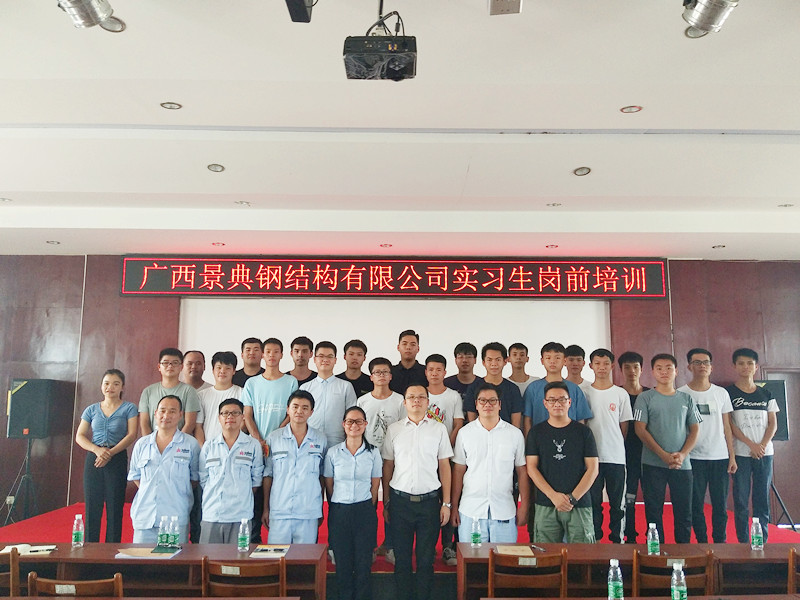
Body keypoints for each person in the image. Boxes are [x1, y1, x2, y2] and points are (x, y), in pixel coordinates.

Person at [382, 385, 453, 600]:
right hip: (400, 502)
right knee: (402, 560)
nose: (416, 401)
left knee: (425, 560)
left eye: (421, 397)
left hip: (429, 503)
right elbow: (388, 466)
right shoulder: (394, 429)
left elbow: (444, 466)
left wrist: (446, 503)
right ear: (404, 402)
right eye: (411, 397)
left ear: (428, 402)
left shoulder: (438, 429)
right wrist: (386, 502)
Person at [633, 353, 701, 544]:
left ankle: (684, 553)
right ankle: (656, 554)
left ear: (676, 371)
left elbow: (695, 430)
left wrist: (683, 455)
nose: (664, 372)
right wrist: (663, 455)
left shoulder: (686, 398)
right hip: (653, 464)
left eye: (669, 368)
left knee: (684, 513)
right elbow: (640, 430)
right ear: (653, 372)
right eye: (659, 368)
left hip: (682, 465)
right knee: (653, 513)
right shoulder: (645, 398)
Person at [451, 383, 529, 543]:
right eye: (483, 400)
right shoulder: (465, 433)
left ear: (499, 404)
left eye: (493, 400)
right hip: (471, 511)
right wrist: (453, 506)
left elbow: (522, 472)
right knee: (471, 557)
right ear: (476, 404)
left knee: (503, 558)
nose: (488, 404)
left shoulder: (514, 434)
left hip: (504, 511)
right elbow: (458, 471)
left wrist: (525, 506)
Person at [526, 381, 598, 543]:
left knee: (583, 553)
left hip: (579, 503)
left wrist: (572, 498)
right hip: (546, 502)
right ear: (545, 403)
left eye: (562, 399)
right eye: (552, 400)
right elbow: (531, 468)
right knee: (546, 554)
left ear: (569, 402)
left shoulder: (584, 432)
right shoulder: (536, 433)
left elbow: (593, 469)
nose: (557, 404)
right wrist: (553, 496)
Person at [241, 337, 298, 542]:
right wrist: (259, 440)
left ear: (282, 355)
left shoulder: (291, 381)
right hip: (257, 445)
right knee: (255, 489)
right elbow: (247, 414)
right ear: (262, 355)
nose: (272, 355)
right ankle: (253, 539)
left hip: (282, 443)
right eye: (268, 352)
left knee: (280, 484)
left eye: (276, 352)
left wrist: (275, 436)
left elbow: (291, 413)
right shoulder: (252, 383)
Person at [678, 348, 736, 543]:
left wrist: (732, 456)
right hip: (693, 458)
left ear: (711, 367)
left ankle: (720, 543)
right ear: (689, 367)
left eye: (706, 362)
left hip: (719, 457)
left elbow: (727, 426)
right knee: (695, 505)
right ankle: (702, 543)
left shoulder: (721, 393)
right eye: (697, 362)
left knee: (720, 505)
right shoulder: (681, 393)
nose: (702, 366)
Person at [324, 406, 382, 600]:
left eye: (359, 421)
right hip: (340, 511)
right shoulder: (333, 453)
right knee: (343, 562)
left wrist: (366, 506)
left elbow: (375, 485)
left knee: (363, 563)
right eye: (350, 421)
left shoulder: (373, 453)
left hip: (364, 510)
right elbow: (329, 485)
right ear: (343, 424)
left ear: (365, 425)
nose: (354, 425)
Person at [75, 369, 138, 543]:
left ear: (122, 387)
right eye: (107, 383)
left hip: (116, 457)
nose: (110, 387)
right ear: (101, 386)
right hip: (94, 458)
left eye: (116, 384)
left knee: (115, 506)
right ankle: (90, 548)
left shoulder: (129, 408)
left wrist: (110, 453)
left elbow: (132, 435)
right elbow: (80, 436)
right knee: (92, 505)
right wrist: (97, 450)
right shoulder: (91, 409)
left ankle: (111, 549)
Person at [128, 395, 200, 544]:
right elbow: (136, 476)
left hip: (175, 518)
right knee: (141, 558)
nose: (166, 415)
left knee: (174, 559)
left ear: (180, 415)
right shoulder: (142, 444)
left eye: (172, 411)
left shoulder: (190, 444)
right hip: (145, 517)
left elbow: (194, 479)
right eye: (162, 411)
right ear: (155, 413)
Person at [726, 347, 779, 544]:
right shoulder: (729, 393)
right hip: (741, 453)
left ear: (756, 367)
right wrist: (750, 444)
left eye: (750, 363)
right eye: (741, 363)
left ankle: (761, 540)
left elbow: (773, 423)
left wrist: (762, 445)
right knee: (741, 500)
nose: (745, 367)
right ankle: (742, 541)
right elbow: (730, 424)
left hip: (765, 453)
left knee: (761, 498)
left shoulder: (766, 393)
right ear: (734, 366)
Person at [357, 357, 406, 563]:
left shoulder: (400, 400)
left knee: (390, 501)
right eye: (377, 372)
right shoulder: (363, 401)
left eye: (385, 372)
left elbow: (405, 428)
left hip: (393, 458)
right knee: (368, 502)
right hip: (368, 457)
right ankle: (368, 546)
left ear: (391, 376)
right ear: (371, 377)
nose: (381, 376)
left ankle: (391, 545)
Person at [262, 390, 327, 543]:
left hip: (308, 511)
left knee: (305, 557)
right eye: (295, 407)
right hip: (280, 510)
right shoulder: (274, 438)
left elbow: (322, 476)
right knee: (277, 556)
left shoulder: (320, 439)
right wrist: (266, 508)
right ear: (288, 409)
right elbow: (268, 475)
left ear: (311, 412)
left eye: (305, 408)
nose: (299, 411)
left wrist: (319, 508)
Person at [198, 399, 264, 543]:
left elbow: (256, 479)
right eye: (225, 413)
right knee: (209, 556)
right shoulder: (209, 446)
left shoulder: (252, 445)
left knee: (239, 556)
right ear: (219, 418)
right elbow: (203, 478)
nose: (230, 417)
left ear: (243, 417)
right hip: (212, 514)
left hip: (241, 515)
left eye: (235, 413)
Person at [584, 348, 632, 543]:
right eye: (597, 363)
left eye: (605, 364)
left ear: (612, 366)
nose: (601, 367)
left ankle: (617, 541)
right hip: (591, 459)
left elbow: (624, 427)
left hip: (615, 457)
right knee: (593, 502)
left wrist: (614, 443)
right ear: (591, 366)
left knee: (617, 504)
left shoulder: (620, 393)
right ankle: (594, 541)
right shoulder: (584, 392)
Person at [424, 353, 464, 566]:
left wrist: (445, 446)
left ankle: (448, 546)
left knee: (448, 499)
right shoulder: (419, 395)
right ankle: (429, 546)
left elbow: (458, 423)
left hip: (448, 457)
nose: (434, 373)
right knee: (430, 503)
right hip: (425, 458)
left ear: (445, 372)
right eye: (431, 369)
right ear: (426, 372)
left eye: (438, 370)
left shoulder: (453, 396)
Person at [618, 350, 649, 543]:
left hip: (649, 454)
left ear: (641, 369)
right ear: (621, 370)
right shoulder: (618, 394)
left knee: (651, 498)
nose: (632, 371)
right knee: (628, 498)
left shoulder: (650, 394)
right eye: (627, 367)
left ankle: (652, 536)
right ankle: (630, 536)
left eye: (635, 367)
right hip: (625, 454)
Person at [301, 341, 358, 447]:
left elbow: (352, 416)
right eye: (321, 356)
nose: (325, 360)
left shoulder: (346, 386)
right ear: (314, 359)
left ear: (335, 360)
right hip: (310, 441)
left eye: (330, 356)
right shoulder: (305, 388)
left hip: (338, 442)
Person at [138, 347, 201, 436]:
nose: (170, 366)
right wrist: (150, 442)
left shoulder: (189, 391)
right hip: (153, 442)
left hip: (180, 442)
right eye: (166, 363)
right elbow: (144, 423)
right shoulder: (148, 391)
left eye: (175, 363)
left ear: (181, 367)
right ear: (159, 367)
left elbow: (190, 424)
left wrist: (176, 442)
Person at [462, 342, 523, 427]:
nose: (494, 364)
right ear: (483, 362)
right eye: (489, 360)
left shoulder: (513, 389)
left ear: (505, 361)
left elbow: (516, 424)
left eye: (498, 359)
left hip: (506, 433)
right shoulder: (473, 388)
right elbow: (472, 423)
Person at [195, 351, 243, 447]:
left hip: (235, 447)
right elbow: (198, 426)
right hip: (209, 448)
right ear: (213, 370)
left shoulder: (242, 393)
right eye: (219, 367)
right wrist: (203, 448)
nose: (222, 371)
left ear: (234, 371)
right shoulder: (201, 395)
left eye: (227, 368)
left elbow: (243, 421)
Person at [389, 330, 428, 394]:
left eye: (413, 344)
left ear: (418, 349)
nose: (408, 347)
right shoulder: (390, 372)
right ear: (398, 347)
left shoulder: (426, 372)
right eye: (404, 344)